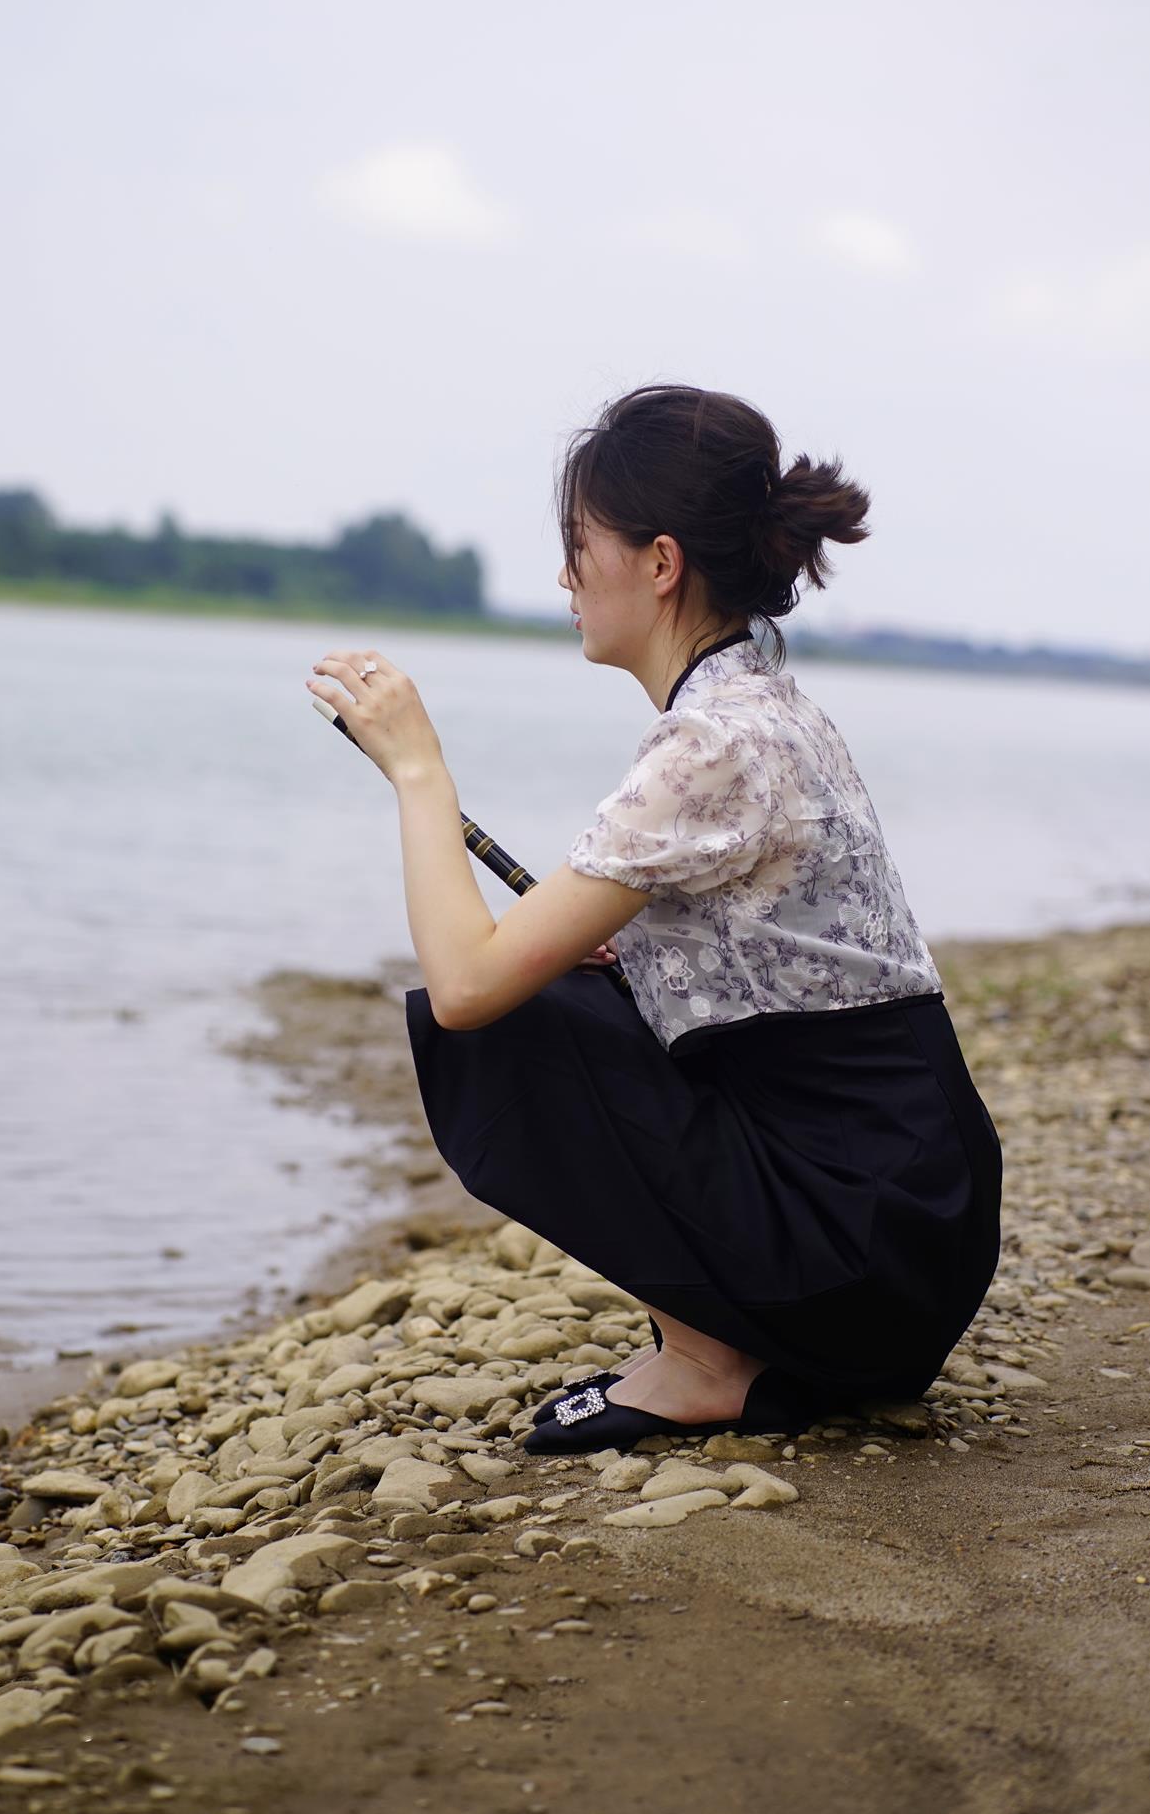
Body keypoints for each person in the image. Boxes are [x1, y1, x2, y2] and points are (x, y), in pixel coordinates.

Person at [303, 383, 1002, 1453]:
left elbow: (466, 986)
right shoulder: (766, 705)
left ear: (660, 562)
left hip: (868, 1252)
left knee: (507, 1021)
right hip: (911, 1225)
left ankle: (711, 1363)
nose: (565, 576)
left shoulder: (713, 743)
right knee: (574, 978)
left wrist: (417, 768)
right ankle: (733, 1347)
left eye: (580, 546)